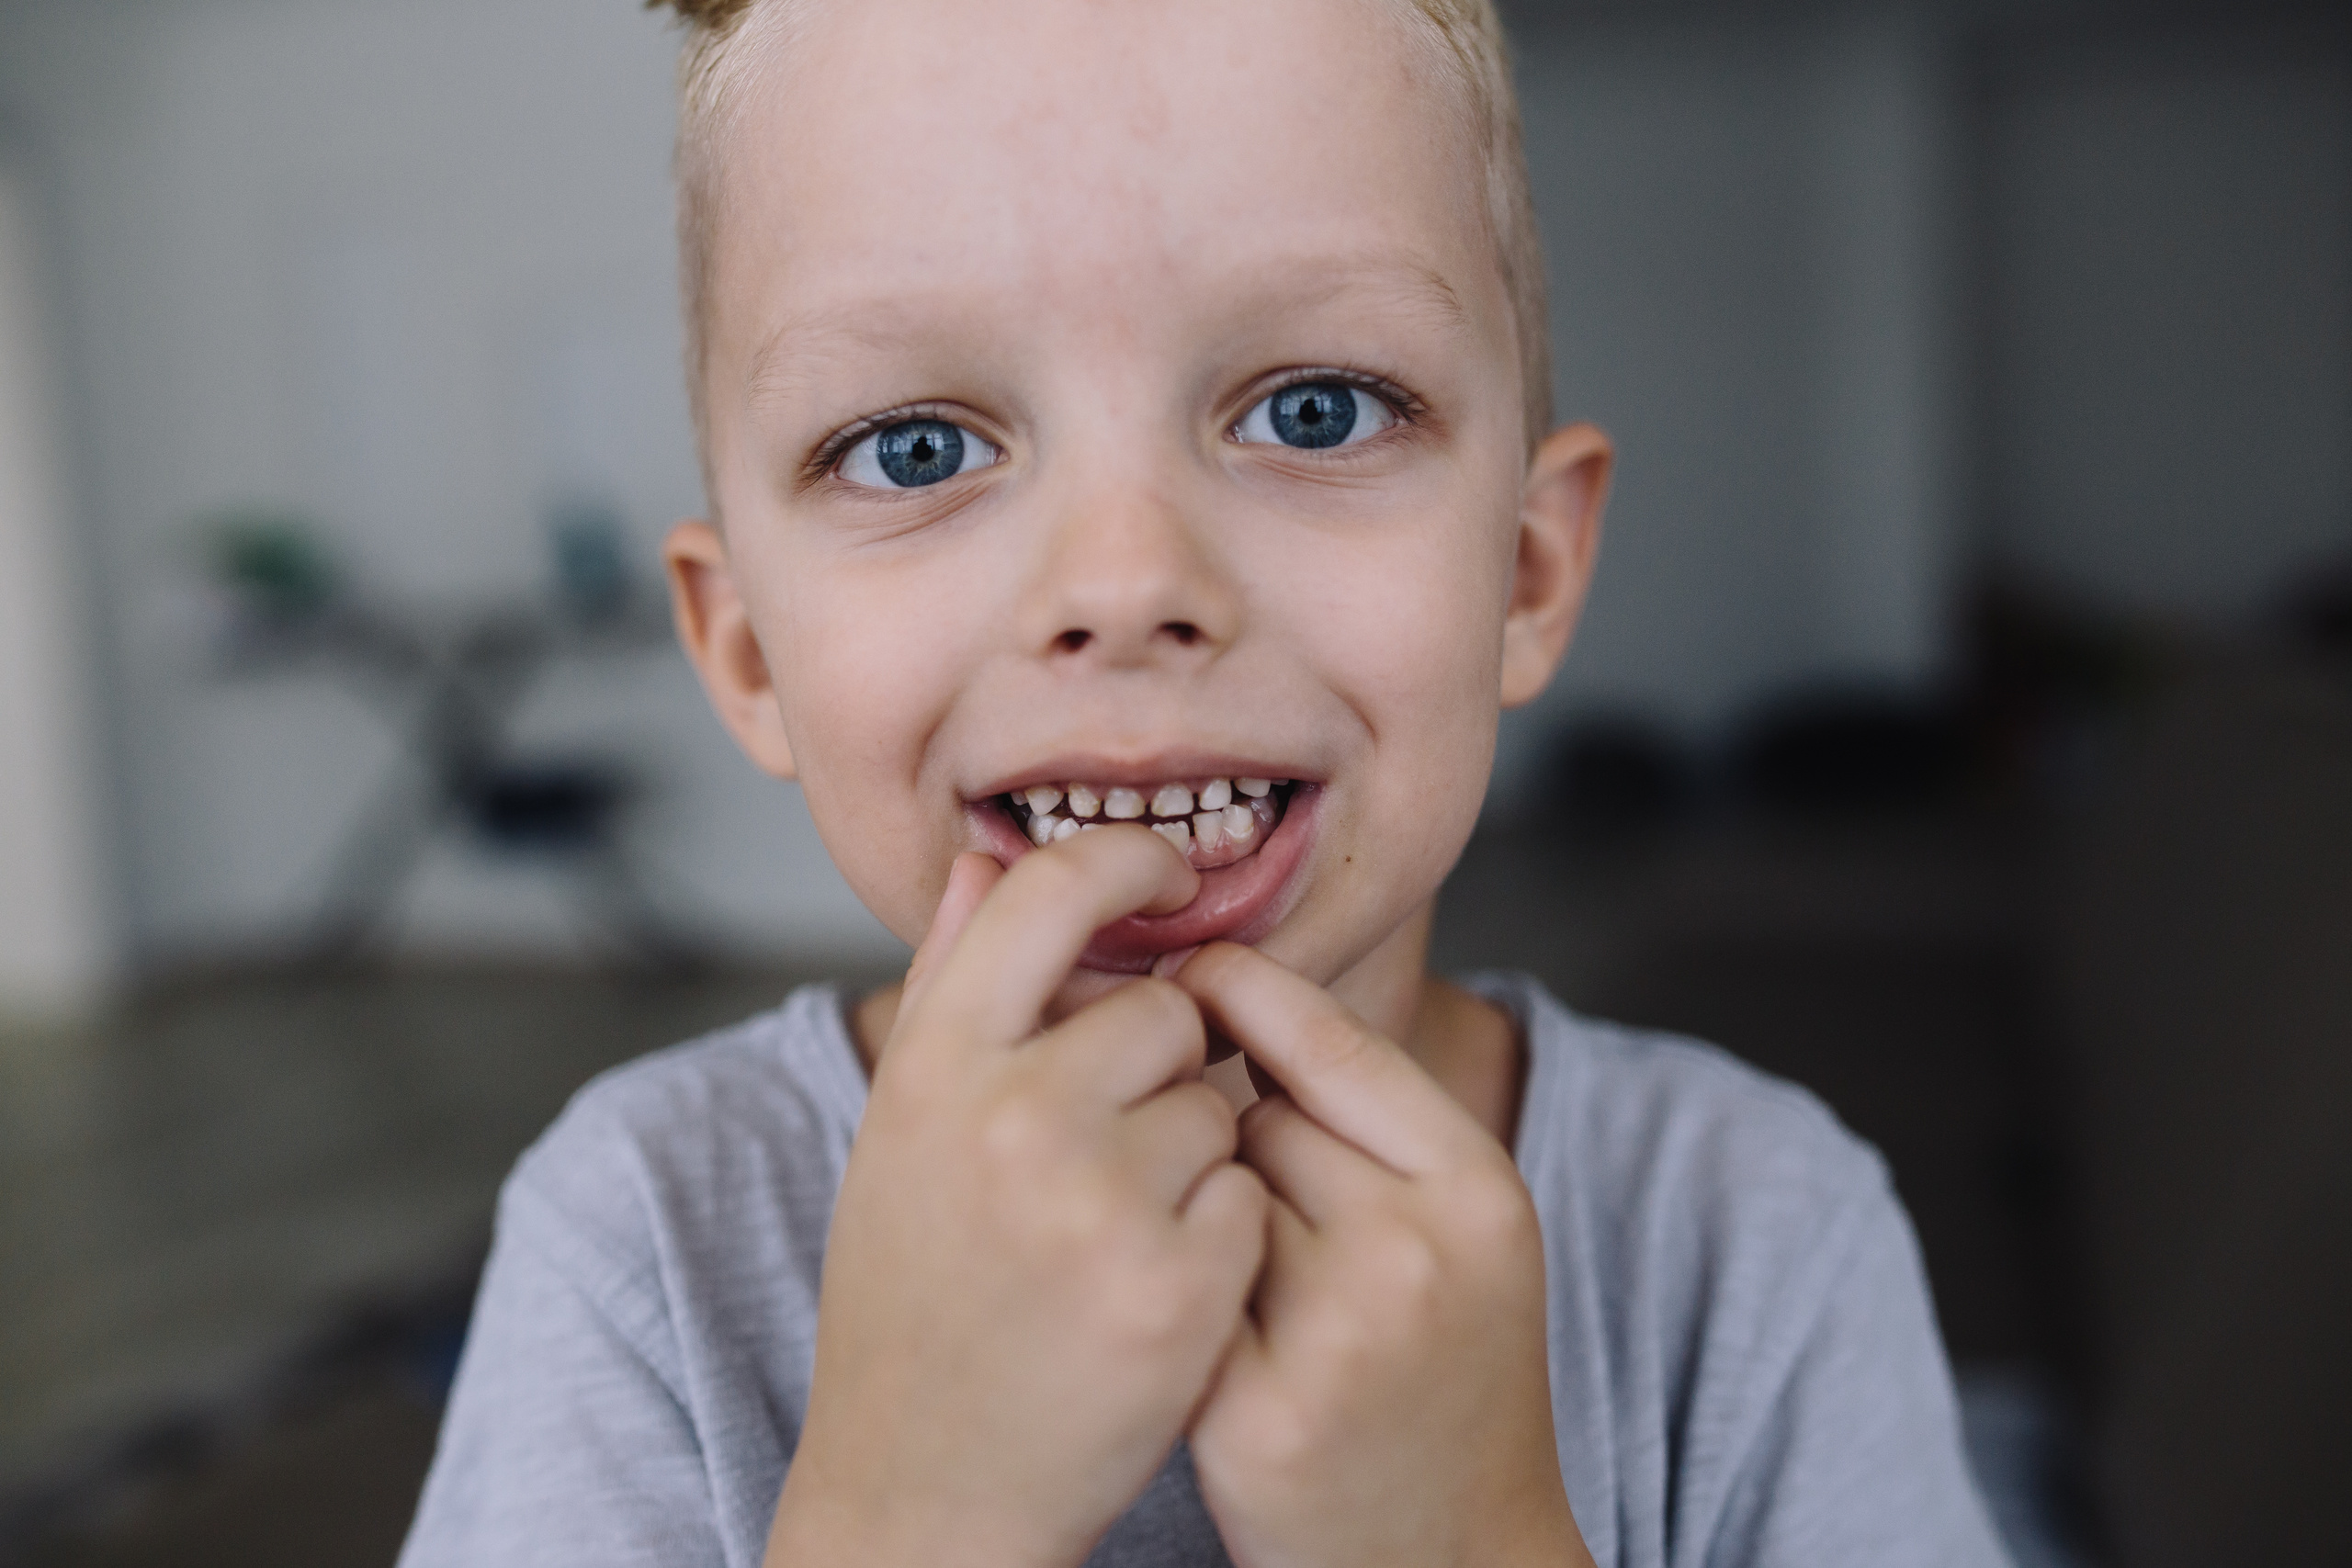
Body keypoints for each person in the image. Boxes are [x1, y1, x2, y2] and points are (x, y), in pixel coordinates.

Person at [400, 0, 2009, 1563]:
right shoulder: (647, 1236)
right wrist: (907, 1521)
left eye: (1315, 411)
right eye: (916, 448)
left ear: (1522, 575)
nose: (1124, 578)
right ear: (748, 654)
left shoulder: (1754, 1230)